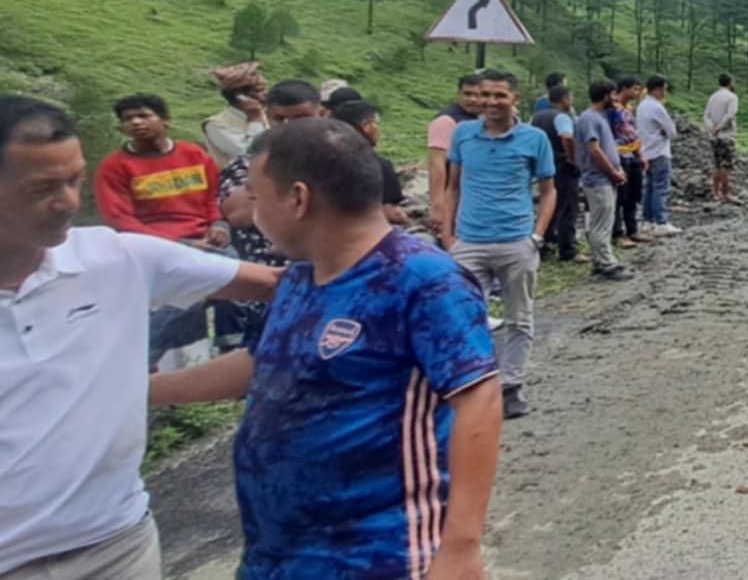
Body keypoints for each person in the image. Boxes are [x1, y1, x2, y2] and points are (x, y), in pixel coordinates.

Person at [149, 120, 500, 579]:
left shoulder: (421, 280)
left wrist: (460, 549)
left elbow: (479, 400)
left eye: (255, 198)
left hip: (379, 554)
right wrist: (143, 390)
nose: (247, 212)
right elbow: (264, 363)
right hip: (278, 553)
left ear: (297, 198)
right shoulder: (299, 279)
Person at [0, 95, 278, 580]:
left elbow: (277, 282)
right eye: (43, 188)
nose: (67, 201)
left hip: (116, 545)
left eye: (74, 180)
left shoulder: (119, 258)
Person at [443, 70, 556, 420]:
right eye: (485, 95)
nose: (490, 102)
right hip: (469, 242)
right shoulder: (463, 135)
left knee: (519, 318)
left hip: (516, 241)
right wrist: (449, 237)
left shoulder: (534, 138)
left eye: (499, 96)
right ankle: (474, 383)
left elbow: (549, 190)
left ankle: (511, 386)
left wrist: (536, 236)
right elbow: (453, 187)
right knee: (463, 317)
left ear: (514, 100)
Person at [215, 79, 324, 352]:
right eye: (279, 120)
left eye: (300, 118)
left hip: (330, 279)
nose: (289, 128)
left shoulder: (343, 159)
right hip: (268, 286)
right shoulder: (245, 165)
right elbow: (239, 213)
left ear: (321, 114)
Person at [93, 94, 231, 248]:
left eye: (144, 116)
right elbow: (119, 218)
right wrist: (180, 244)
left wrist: (219, 224)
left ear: (165, 121)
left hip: (205, 236)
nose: (136, 122)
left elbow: (215, 195)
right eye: (127, 119)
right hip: (150, 244)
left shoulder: (194, 154)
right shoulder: (113, 166)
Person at [577, 80, 634, 282]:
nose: (616, 98)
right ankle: (607, 265)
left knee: (604, 222)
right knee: (601, 223)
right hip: (598, 179)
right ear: (604, 96)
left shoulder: (596, 117)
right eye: (613, 94)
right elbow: (594, 150)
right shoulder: (590, 118)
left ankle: (600, 261)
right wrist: (612, 172)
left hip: (604, 178)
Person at [426, 74, 485, 247]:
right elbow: (437, 165)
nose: (472, 99)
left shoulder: (484, 120)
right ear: (458, 94)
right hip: (454, 198)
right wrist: (438, 204)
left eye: (478, 94)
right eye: (467, 94)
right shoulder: (446, 121)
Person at [331, 100, 408, 226]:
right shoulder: (379, 166)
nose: (377, 129)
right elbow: (389, 213)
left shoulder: (323, 161)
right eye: (375, 123)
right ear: (366, 126)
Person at [531, 84, 582, 263]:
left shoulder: (536, 117)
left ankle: (543, 246)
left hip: (544, 166)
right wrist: (573, 159)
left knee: (548, 206)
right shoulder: (562, 117)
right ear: (565, 99)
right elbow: (566, 137)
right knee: (567, 207)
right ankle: (567, 249)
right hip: (562, 166)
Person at [636, 75, 681, 237]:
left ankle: (647, 221)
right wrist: (664, 132)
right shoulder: (657, 107)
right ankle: (661, 222)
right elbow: (672, 131)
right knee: (661, 188)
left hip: (646, 151)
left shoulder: (642, 106)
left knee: (649, 188)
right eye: (665, 88)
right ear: (659, 88)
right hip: (660, 151)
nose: (665, 92)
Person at [200, 62, 268, 168]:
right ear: (240, 96)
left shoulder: (268, 114)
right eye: (259, 90)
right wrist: (255, 120)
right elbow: (247, 153)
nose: (266, 93)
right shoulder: (215, 124)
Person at [607, 76, 646, 245]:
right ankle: (617, 233)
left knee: (633, 195)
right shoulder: (612, 109)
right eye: (635, 89)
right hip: (618, 155)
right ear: (624, 88)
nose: (637, 93)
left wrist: (640, 154)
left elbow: (633, 133)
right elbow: (622, 133)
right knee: (619, 197)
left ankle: (633, 229)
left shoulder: (628, 109)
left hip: (632, 155)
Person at [703, 73, 740, 205]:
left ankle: (715, 192)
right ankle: (726, 194)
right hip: (726, 135)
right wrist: (719, 127)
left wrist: (711, 128)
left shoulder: (712, 97)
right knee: (726, 166)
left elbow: (706, 115)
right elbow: (730, 115)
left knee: (717, 165)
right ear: (730, 82)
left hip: (714, 137)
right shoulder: (732, 97)